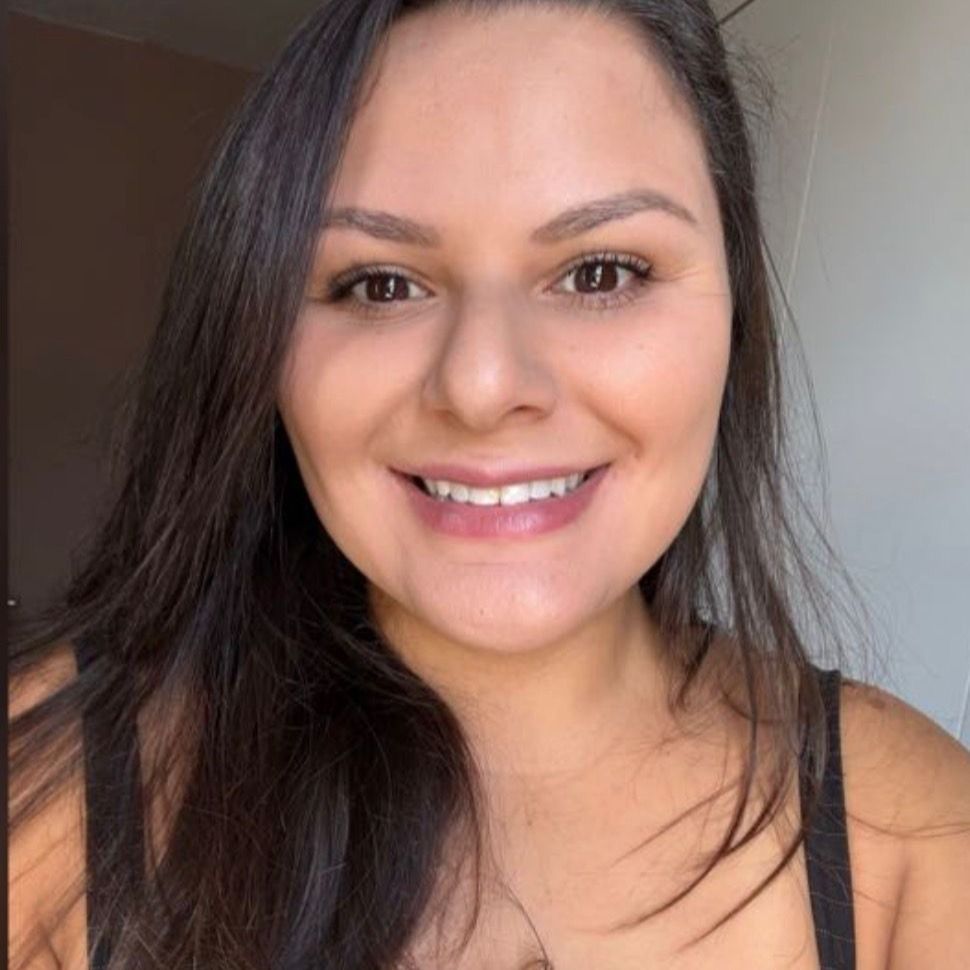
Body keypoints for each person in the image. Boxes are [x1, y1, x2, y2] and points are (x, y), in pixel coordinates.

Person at [8, 1, 970, 968]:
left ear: (735, 310)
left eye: (601, 273)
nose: (481, 385)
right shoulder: (53, 793)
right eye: (380, 284)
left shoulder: (911, 832)